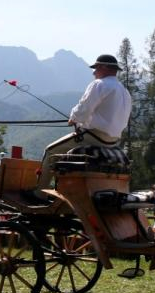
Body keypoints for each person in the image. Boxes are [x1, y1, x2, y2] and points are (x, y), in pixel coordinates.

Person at [30, 54, 131, 199]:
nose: (94, 72)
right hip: (112, 141)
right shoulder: (124, 91)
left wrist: (73, 118)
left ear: (104, 67)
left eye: (96, 68)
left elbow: (84, 107)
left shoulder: (99, 84)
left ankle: (39, 194)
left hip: (94, 136)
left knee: (50, 151)